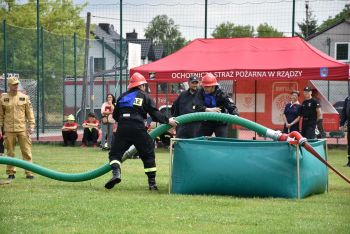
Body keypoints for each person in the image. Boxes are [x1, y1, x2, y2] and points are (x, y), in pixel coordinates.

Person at [105, 72, 177, 191]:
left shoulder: (122, 97)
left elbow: (116, 116)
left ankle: (116, 173)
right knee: (148, 154)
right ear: (141, 85)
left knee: (114, 154)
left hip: (122, 127)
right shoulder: (144, 96)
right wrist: (168, 120)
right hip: (138, 127)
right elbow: (155, 113)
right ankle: (152, 184)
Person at [0, 76, 35, 180]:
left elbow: (30, 113)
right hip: (8, 129)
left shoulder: (24, 97)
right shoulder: (3, 98)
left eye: (17, 84)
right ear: (9, 85)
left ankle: (29, 172)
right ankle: (11, 173)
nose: (16, 86)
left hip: (22, 129)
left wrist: (31, 126)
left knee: (27, 151)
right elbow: (0, 115)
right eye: (14, 84)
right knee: (10, 152)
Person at [194, 73, 239, 137]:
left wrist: (235, 114)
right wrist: (208, 110)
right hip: (206, 121)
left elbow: (230, 105)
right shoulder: (200, 92)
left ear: (213, 86)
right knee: (200, 140)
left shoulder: (221, 93)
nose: (205, 89)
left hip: (220, 122)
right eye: (204, 86)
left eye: (207, 87)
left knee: (222, 142)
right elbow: (196, 106)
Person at [339, 96, 350, 167]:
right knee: (349, 144)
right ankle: (349, 161)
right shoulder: (348, 98)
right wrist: (342, 124)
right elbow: (343, 111)